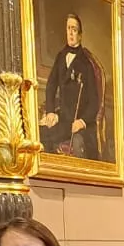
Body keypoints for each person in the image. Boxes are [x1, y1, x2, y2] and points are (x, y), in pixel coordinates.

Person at [38, 13, 104, 160]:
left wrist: (82, 122)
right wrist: (50, 112)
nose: (71, 33)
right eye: (68, 29)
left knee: (57, 138)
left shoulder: (86, 64)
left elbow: (94, 101)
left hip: (77, 121)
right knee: (40, 133)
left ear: (80, 35)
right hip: (62, 118)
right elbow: (51, 85)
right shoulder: (61, 57)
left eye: (74, 29)